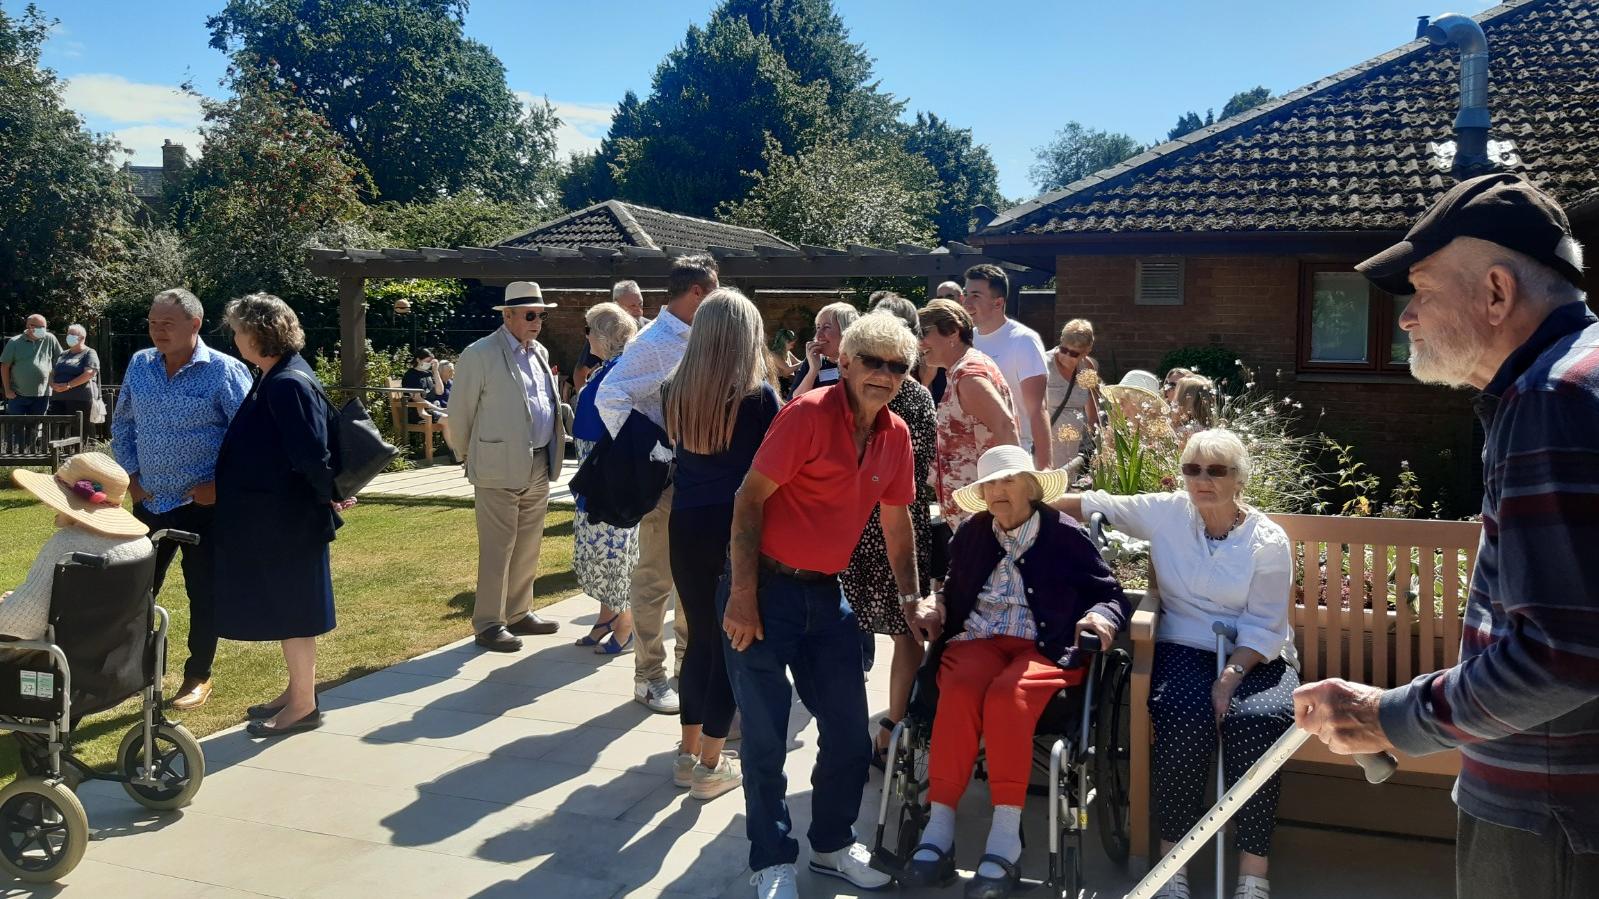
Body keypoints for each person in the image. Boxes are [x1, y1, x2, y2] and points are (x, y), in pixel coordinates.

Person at [1294, 173, 1599, 899]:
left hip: (1549, 818)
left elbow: (1563, 653)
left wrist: (1387, 717)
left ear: (1495, 292)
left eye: (1422, 290)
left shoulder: (1550, 397)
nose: (1404, 318)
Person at [721, 312, 932, 899]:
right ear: (846, 362)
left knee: (848, 734)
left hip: (827, 595)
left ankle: (833, 845)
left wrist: (912, 600)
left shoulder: (895, 434)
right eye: (873, 361)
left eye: (898, 366)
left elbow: (897, 525)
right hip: (764, 591)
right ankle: (771, 860)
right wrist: (742, 596)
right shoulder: (807, 415)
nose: (884, 374)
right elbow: (748, 500)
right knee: (765, 740)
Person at [1052, 428, 1294, 899]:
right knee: (1183, 714)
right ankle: (1172, 864)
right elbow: (1096, 503)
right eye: (1192, 469)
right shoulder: (1168, 513)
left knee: (1260, 720)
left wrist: (1230, 676)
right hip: (1184, 643)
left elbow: (1266, 625)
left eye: (1216, 470)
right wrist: (1020, 499)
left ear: (1239, 478)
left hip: (1255, 653)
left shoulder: (1267, 540)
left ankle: (1253, 872)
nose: (1202, 480)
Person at [899, 445, 1128, 898]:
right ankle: (939, 829)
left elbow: (1110, 594)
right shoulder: (971, 532)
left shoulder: (1065, 536)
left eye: (1008, 481)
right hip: (978, 639)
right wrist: (935, 604)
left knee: (1010, 696)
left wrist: (1100, 618)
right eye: (990, 484)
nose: (998, 491)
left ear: (1031, 487)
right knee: (958, 688)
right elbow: (951, 588)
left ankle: (1005, 838)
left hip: (1045, 646)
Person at [112, 287, 253, 711]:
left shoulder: (224, 371)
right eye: (153, 323)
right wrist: (131, 476)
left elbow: (250, 438)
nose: (158, 331)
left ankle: (198, 675)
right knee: (135, 593)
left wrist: (220, 487)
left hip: (203, 507)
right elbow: (123, 423)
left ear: (195, 324)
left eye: (167, 324)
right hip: (149, 501)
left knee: (203, 592)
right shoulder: (140, 364)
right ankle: (139, 673)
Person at [665, 288, 780, 802]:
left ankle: (687, 754)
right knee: (732, 646)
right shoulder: (758, 397)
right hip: (736, 527)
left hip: (686, 524)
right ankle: (711, 763)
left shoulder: (675, 388)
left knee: (699, 642)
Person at [213, 294, 341, 738]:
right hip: (280, 517)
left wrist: (330, 496)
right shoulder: (277, 374)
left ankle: (303, 706)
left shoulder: (287, 383)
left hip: (289, 520)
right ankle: (297, 691)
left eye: (237, 330)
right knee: (291, 608)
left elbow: (311, 454)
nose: (233, 337)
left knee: (295, 612)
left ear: (257, 333)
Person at [597, 254, 720, 714]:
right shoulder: (655, 341)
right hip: (667, 480)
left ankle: (689, 664)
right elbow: (610, 395)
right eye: (715, 290)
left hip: (700, 476)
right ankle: (648, 676)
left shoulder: (699, 336)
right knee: (655, 579)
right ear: (697, 293)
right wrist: (652, 453)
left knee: (695, 576)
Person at [841, 296, 937, 766]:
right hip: (897, 517)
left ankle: (850, 726)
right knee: (906, 627)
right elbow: (924, 463)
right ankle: (892, 728)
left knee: (849, 623)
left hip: (859, 519)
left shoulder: (849, 390)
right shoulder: (917, 396)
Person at [446, 281, 567, 652]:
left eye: (541, 315)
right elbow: (460, 414)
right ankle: (488, 623)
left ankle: (518, 612)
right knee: (498, 548)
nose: (537, 322)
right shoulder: (479, 354)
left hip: (538, 461)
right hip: (496, 467)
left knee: (528, 544)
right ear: (508, 315)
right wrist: (468, 456)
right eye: (530, 315)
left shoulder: (539, 351)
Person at [5, 452, 153, 643]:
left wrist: (8, 606)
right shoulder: (142, 544)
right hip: (118, 653)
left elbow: (21, 623)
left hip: (63, 654)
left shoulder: (68, 545)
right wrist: (19, 599)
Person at [570, 302, 641, 654]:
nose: (586, 337)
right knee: (595, 550)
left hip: (608, 478)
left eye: (589, 330)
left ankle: (625, 624)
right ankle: (607, 616)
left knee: (612, 553)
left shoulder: (621, 372)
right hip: (593, 473)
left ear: (602, 335)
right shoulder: (607, 369)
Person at [917, 299, 1018, 533]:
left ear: (953, 332)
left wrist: (1014, 491)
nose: (919, 343)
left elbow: (1005, 426)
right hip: (974, 512)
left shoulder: (968, 374)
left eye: (924, 333)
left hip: (986, 511)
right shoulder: (961, 370)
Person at [962, 264, 1049, 471]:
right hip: (967, 456)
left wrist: (1045, 465)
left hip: (1010, 454)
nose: (966, 302)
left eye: (976, 295)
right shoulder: (965, 340)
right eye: (966, 294)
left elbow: (1038, 409)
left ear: (998, 302)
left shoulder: (1023, 340)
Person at [1044, 318, 1100, 469]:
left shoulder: (1087, 367)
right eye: (1064, 350)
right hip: (1044, 446)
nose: (1066, 356)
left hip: (1073, 448)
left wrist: (1089, 437)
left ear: (1086, 352)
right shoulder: (1043, 363)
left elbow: (1093, 405)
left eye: (1074, 354)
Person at [789, 302, 859, 398]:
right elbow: (795, 401)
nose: (818, 335)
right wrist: (813, 370)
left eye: (826, 327)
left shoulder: (861, 364)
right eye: (818, 327)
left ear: (846, 331)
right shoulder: (813, 360)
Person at [2, 314, 62, 415]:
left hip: (42, 395)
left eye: (44, 327)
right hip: (18, 395)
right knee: (17, 424)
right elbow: (4, 366)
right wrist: (7, 390)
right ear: (29, 326)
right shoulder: (14, 342)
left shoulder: (50, 338)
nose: (43, 330)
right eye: (40, 327)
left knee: (38, 424)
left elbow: (60, 359)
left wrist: (54, 379)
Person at [47, 324, 100, 424]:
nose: (68, 337)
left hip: (80, 400)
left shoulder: (89, 353)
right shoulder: (63, 354)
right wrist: (52, 384)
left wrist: (68, 385)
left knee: (78, 430)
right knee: (58, 430)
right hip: (58, 399)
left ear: (82, 338)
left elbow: (89, 373)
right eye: (68, 334)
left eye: (72, 335)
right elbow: (52, 372)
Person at [1169, 376, 1217, 447]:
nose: (1173, 400)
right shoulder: (1211, 432)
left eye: (1176, 395)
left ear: (1184, 401)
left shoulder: (1184, 433)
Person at [401, 348, 446, 422]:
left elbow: (440, 391)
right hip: (419, 411)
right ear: (418, 360)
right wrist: (439, 409)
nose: (429, 364)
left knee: (455, 417)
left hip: (433, 408)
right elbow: (417, 399)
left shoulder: (429, 373)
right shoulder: (411, 375)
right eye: (427, 361)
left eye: (431, 362)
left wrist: (435, 371)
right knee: (449, 420)